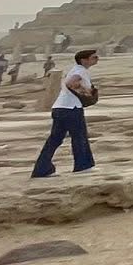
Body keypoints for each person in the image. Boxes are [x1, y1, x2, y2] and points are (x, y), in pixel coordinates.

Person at [31, 49, 99, 177]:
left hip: (60, 108)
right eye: (94, 57)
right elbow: (71, 83)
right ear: (84, 60)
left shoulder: (76, 69)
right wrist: (86, 93)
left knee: (55, 139)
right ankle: (82, 166)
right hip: (71, 109)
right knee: (79, 137)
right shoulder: (80, 70)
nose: (97, 59)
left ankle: (42, 168)